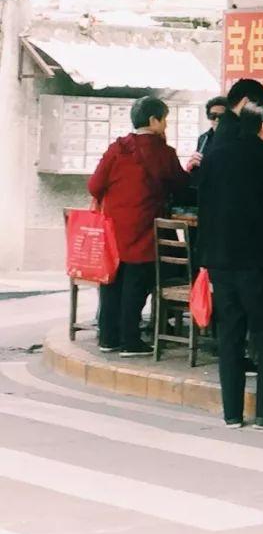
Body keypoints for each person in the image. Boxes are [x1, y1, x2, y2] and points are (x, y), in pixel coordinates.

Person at [197, 102, 263, 429]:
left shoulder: (215, 156)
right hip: (259, 263)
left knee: (229, 335)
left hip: (221, 262)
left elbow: (203, 205)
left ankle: (232, 413)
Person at [88, 97, 195, 356]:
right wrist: (192, 169)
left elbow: (94, 186)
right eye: (164, 119)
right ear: (153, 120)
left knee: (112, 282)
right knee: (136, 284)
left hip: (115, 229)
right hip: (144, 229)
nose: (166, 125)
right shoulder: (163, 152)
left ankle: (108, 338)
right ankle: (130, 341)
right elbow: (181, 187)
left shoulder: (117, 148)